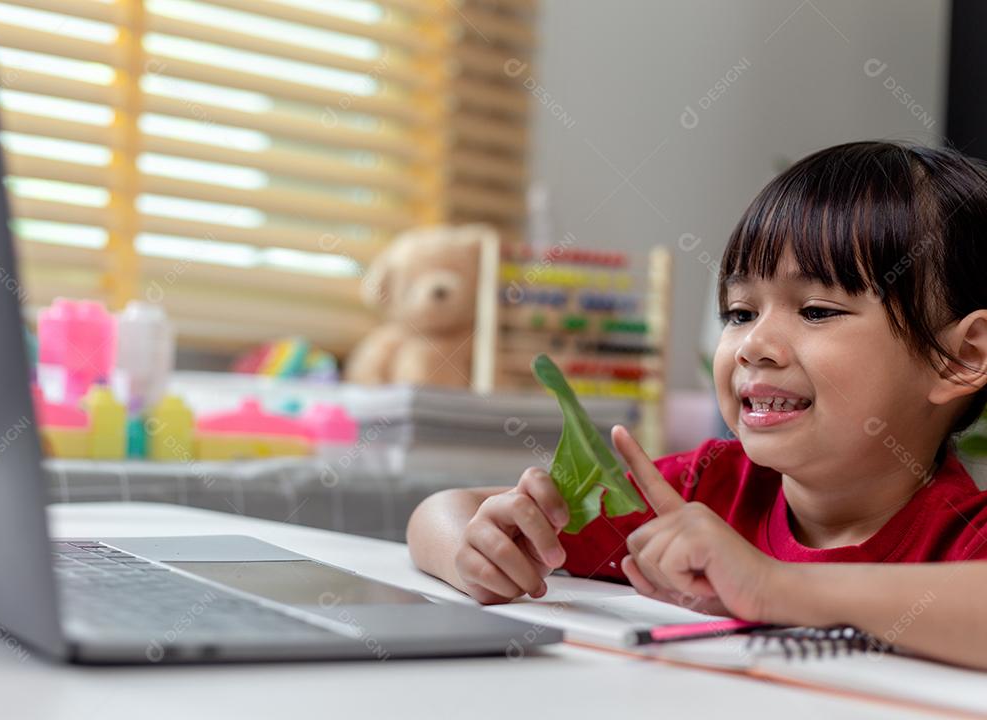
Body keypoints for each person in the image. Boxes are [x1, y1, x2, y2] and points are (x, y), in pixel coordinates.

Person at [407, 141, 987, 669]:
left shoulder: (965, 535)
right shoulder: (706, 489)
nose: (754, 345)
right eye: (740, 313)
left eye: (816, 310)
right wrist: (477, 551)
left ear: (959, 357)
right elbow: (444, 508)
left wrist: (771, 586)